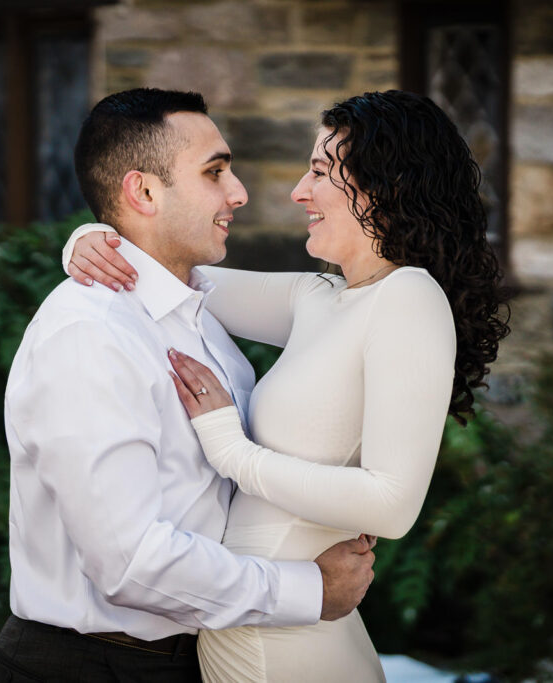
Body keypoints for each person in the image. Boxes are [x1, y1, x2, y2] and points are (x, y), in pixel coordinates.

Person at [63, 89, 511, 682]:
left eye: (322, 171)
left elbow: (393, 504)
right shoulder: (319, 298)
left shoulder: (409, 298)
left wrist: (231, 450)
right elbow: (168, 271)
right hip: (261, 616)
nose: (300, 191)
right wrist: (88, 242)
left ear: (388, 186)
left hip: (289, 645)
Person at [0, 88, 377, 683]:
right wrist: (308, 591)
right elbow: (130, 562)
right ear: (143, 191)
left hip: (186, 658)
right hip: (94, 667)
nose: (239, 192)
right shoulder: (91, 334)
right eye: (215, 172)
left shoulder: (196, 311)